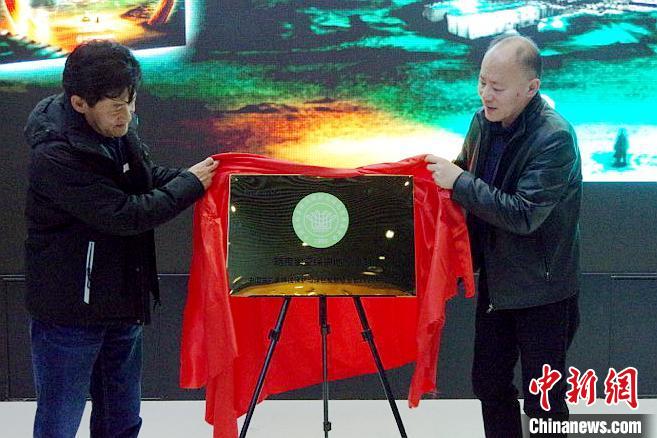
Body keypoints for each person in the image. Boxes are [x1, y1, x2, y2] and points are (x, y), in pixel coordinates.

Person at [24, 40, 218, 438]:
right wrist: (190, 184)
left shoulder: (115, 129)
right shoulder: (55, 155)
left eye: (131, 101)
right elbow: (125, 214)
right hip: (69, 315)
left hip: (122, 303)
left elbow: (144, 179)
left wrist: (203, 176)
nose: (126, 113)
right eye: (116, 105)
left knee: (122, 421)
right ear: (80, 103)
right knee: (59, 423)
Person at [426, 35, 582, 437]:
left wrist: (459, 180)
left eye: (497, 87)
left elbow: (524, 213)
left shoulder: (555, 138)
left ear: (531, 88)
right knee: (488, 384)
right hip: (497, 283)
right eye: (482, 82)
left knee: (543, 400)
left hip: (543, 292)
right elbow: (466, 171)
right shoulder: (482, 121)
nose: (485, 95)